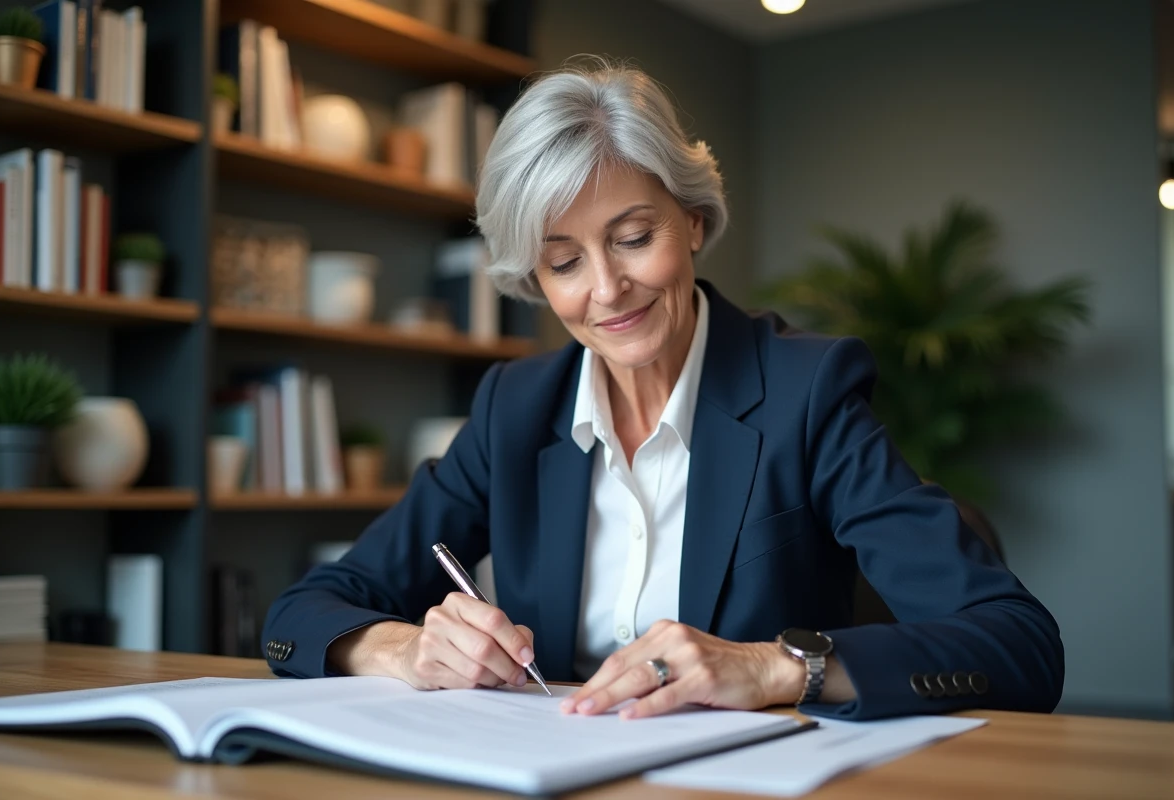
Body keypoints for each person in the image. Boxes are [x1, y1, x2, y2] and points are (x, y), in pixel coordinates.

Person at [261, 58, 1064, 722]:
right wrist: (404, 648)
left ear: (694, 222)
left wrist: (772, 666)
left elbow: (1018, 642)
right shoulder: (516, 407)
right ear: (536, 279)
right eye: (564, 262)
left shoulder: (805, 392)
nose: (607, 289)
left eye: (634, 237)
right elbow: (305, 611)